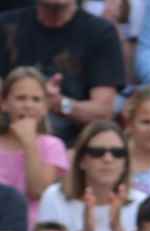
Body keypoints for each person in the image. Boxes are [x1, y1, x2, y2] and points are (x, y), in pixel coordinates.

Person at [0, 0, 125, 137]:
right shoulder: (5, 26)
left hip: (72, 147)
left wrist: (58, 103)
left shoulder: (100, 32)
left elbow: (103, 112)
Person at [37, 119, 142, 231]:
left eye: (118, 153)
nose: (108, 159)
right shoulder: (54, 197)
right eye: (97, 152)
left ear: (125, 163)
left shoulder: (140, 203)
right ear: (82, 160)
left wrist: (116, 228)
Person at [0, 66, 65, 223]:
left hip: (32, 229)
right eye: (21, 98)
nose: (28, 105)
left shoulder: (53, 145)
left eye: (36, 99)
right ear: (4, 104)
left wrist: (29, 143)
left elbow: (37, 191)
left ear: (44, 107)